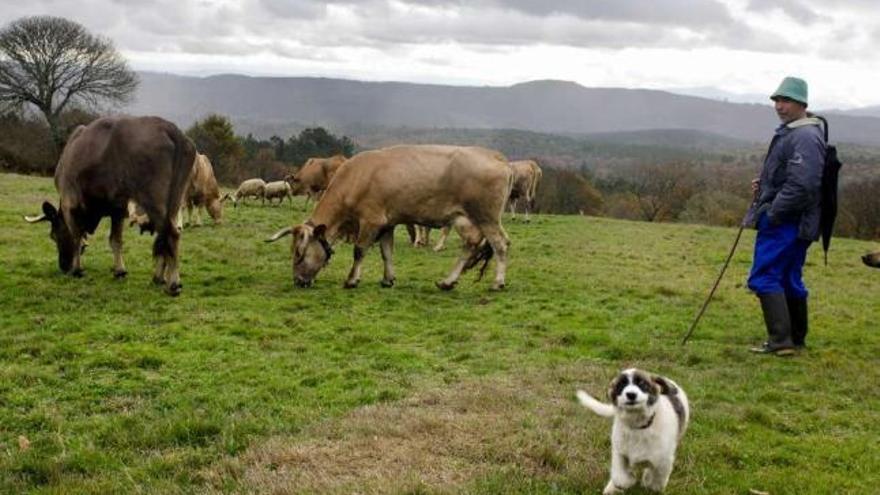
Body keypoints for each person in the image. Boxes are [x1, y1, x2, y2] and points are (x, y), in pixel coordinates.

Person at [746, 76, 825, 356]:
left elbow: (802, 185)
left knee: (765, 275)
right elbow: (793, 177)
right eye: (777, 100)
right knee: (789, 276)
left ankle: (780, 341)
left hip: (786, 221)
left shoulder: (803, 136)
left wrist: (774, 211)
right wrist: (765, 184)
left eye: (786, 100)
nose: (779, 106)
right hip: (798, 221)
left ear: (802, 103)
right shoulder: (797, 132)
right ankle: (795, 339)